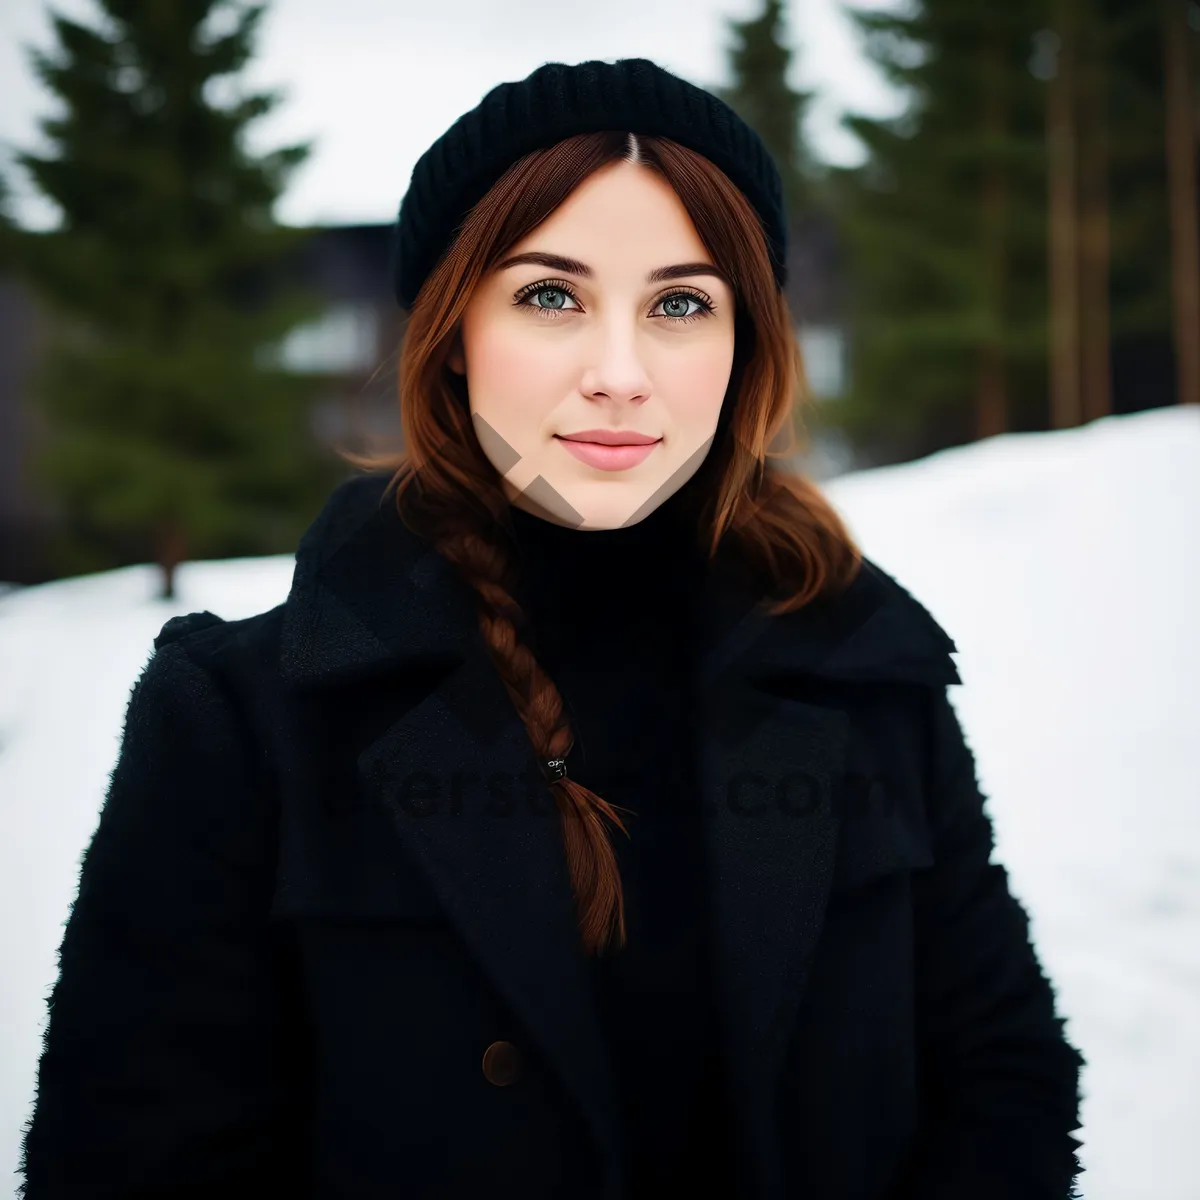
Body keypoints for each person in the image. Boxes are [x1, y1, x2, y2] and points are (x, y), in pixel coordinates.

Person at [17, 57, 1085, 1200]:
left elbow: (1002, 1079)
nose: (619, 375)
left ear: (747, 346)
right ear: (454, 330)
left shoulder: (865, 678)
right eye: (549, 296)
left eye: (682, 303)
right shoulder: (243, 724)